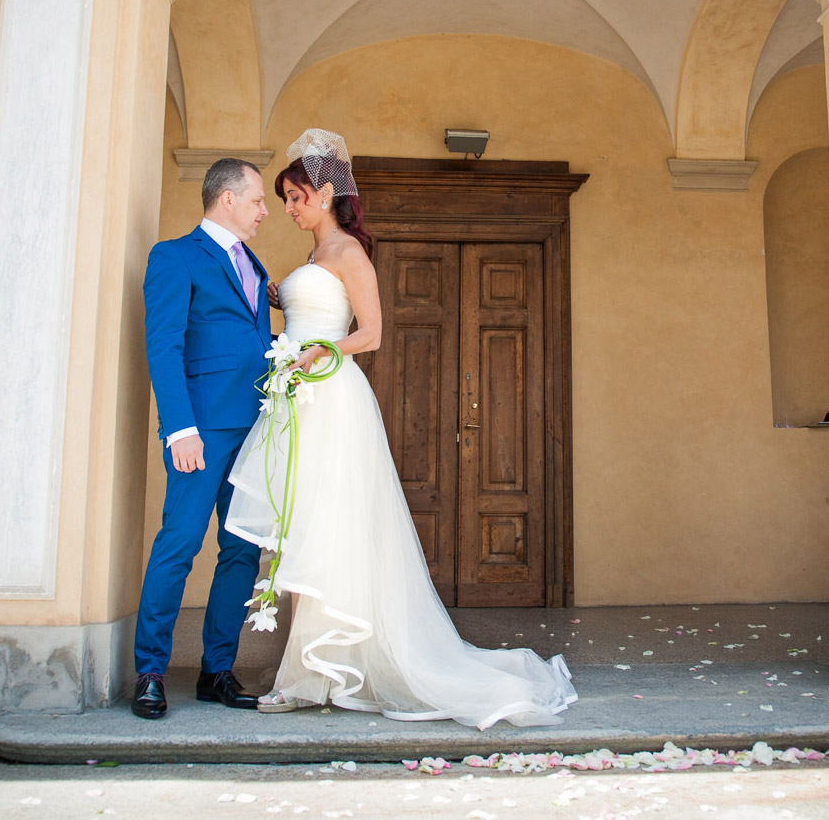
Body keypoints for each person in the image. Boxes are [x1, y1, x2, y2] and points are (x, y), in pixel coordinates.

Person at [224, 129, 576, 730]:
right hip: (302, 401)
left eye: (295, 195)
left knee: (331, 524)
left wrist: (320, 354)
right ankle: (314, 669)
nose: (289, 207)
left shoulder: (348, 254)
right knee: (310, 525)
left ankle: (313, 675)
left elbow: (373, 332)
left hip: (332, 397)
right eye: (283, 198)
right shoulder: (313, 258)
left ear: (326, 192)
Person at [132, 158, 272, 718]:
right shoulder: (174, 256)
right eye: (258, 199)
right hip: (201, 432)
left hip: (255, 429)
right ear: (228, 199)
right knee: (180, 544)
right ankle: (149, 672)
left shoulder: (254, 265)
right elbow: (163, 346)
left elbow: (247, 336)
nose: (266, 210)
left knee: (241, 550)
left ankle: (218, 670)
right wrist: (179, 429)